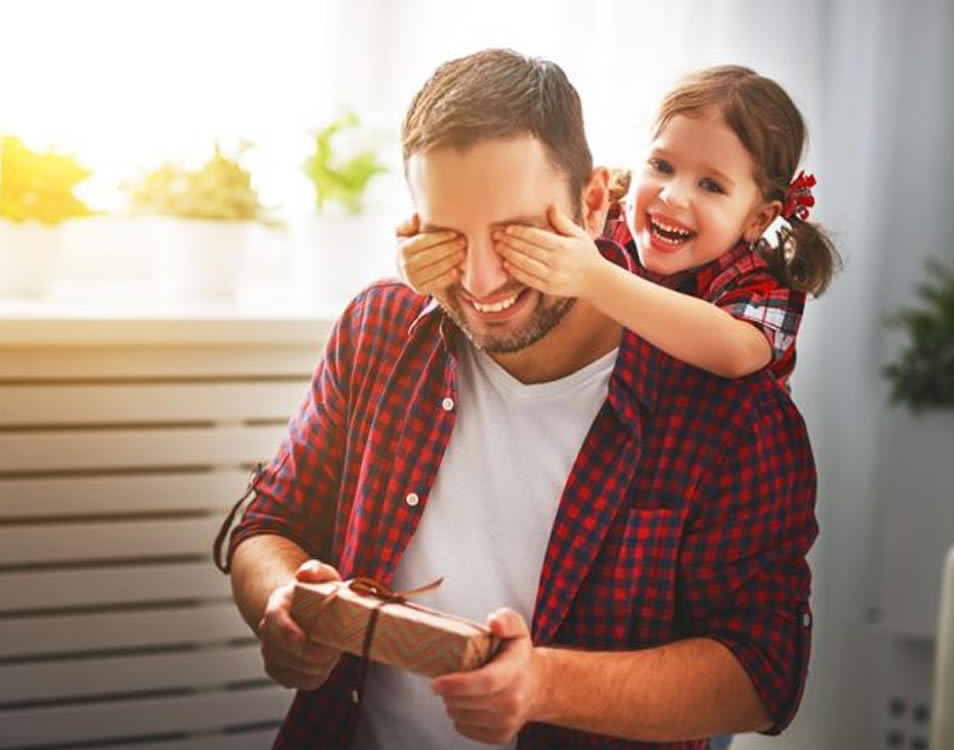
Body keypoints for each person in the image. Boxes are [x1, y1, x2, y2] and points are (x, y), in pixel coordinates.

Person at [215, 49, 818, 750]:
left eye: (514, 235)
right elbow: (268, 523)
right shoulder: (379, 330)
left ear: (593, 204)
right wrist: (283, 605)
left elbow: (765, 673)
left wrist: (543, 687)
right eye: (447, 234)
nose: (478, 279)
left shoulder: (735, 412)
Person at [398, 65, 840, 392]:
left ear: (758, 218)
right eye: (662, 166)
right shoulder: (606, 213)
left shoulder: (761, 275)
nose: (672, 196)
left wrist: (595, 279)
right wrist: (423, 258)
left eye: (711, 185)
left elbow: (736, 354)